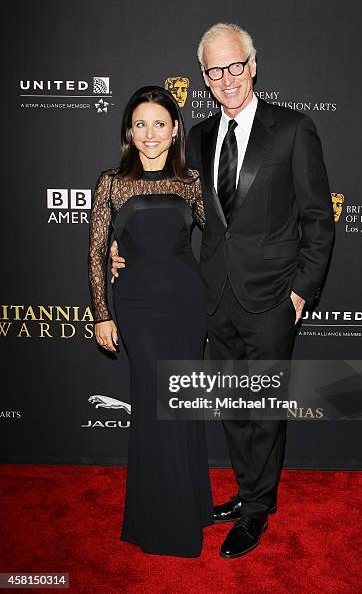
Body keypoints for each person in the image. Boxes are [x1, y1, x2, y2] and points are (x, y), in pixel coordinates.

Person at [111, 23, 335, 559]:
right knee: (235, 408)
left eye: (235, 65)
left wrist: (301, 292)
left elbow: (318, 221)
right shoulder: (199, 138)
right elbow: (171, 217)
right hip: (211, 298)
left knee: (264, 408)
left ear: (253, 65)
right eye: (214, 70)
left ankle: (258, 511)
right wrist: (124, 253)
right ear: (205, 78)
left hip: (273, 298)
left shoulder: (293, 130)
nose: (226, 78)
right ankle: (246, 492)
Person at [88, 86, 213, 558]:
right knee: (153, 406)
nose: (150, 134)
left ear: (175, 128)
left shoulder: (192, 182)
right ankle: (162, 522)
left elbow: (221, 241)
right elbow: (96, 252)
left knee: (181, 405)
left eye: (159, 123)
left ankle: (192, 505)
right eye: (140, 124)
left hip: (187, 305)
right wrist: (101, 312)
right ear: (128, 130)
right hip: (137, 309)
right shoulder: (112, 182)